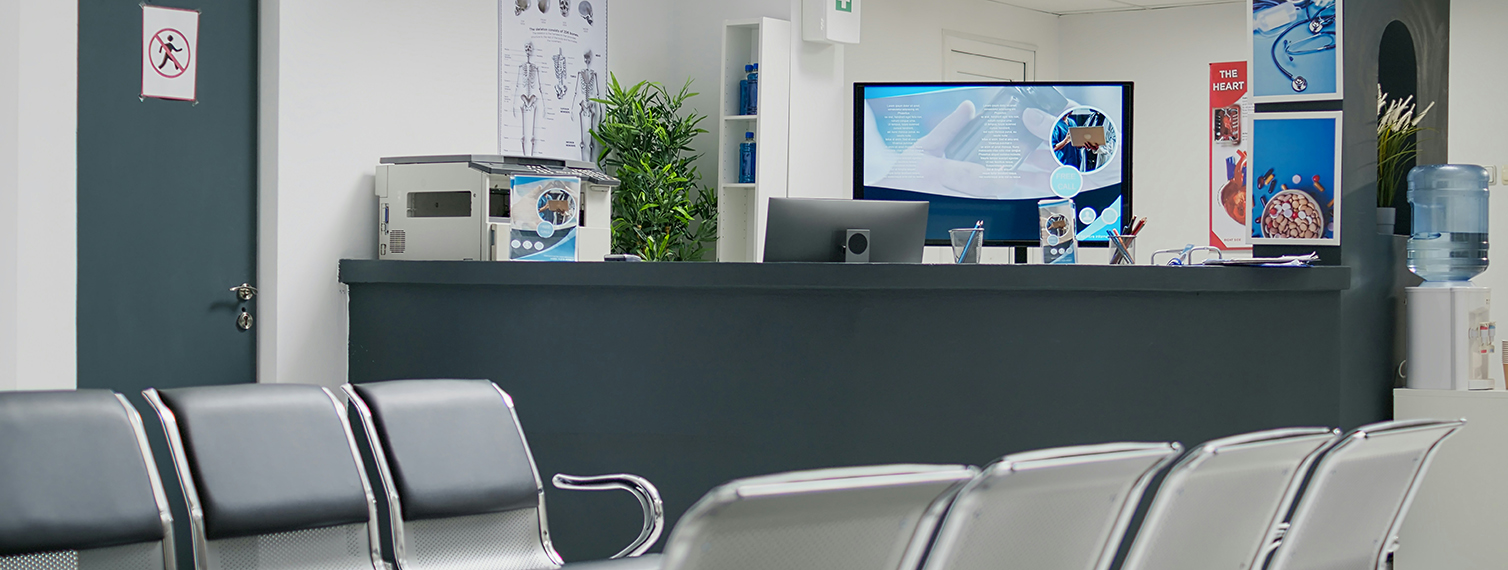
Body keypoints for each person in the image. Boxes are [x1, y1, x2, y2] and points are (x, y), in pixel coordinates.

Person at [513, 42, 545, 156]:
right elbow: (517, 84)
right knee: (523, 133)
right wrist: (514, 104)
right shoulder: (521, 67)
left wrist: (544, 107)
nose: (528, 50)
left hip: (532, 99)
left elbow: (539, 86)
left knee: (531, 133)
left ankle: (530, 155)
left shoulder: (535, 68)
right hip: (523, 98)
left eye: (529, 48)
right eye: (526, 48)